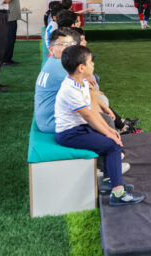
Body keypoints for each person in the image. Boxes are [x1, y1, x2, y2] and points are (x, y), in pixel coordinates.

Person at [54, 45, 145, 205]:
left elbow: (92, 111)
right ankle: (118, 194)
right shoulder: (70, 89)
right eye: (90, 62)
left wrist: (109, 129)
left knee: (111, 139)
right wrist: (109, 134)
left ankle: (110, 182)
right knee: (113, 146)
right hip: (69, 134)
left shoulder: (80, 82)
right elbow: (88, 116)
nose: (93, 64)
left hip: (79, 128)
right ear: (81, 68)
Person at [35, 28, 81, 133]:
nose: (69, 48)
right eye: (63, 44)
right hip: (53, 123)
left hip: (47, 120)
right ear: (51, 50)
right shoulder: (61, 67)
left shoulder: (54, 61)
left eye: (72, 44)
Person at [1, 0, 26, 66]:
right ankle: (5, 60)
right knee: (9, 40)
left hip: (12, 16)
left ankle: (8, 59)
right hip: (8, 17)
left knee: (11, 40)